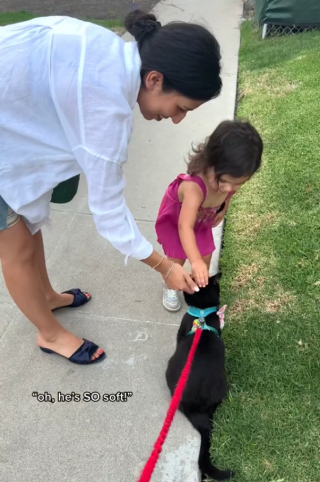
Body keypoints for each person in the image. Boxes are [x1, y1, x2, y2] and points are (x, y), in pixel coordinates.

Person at [0, 10, 223, 365]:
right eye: (180, 107)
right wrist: (165, 266)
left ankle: (46, 295)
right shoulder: (105, 111)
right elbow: (109, 214)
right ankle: (50, 335)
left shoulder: (109, 50)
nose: (178, 119)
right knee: (15, 248)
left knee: (26, 223)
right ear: (154, 79)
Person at [155, 119, 263, 312]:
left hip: (201, 221)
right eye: (226, 181)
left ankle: (198, 287)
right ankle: (170, 285)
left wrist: (224, 206)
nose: (230, 188)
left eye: (239, 183)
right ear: (211, 163)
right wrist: (193, 261)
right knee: (177, 259)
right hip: (179, 222)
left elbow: (229, 193)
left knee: (205, 257)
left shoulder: (228, 180)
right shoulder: (194, 188)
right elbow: (184, 227)